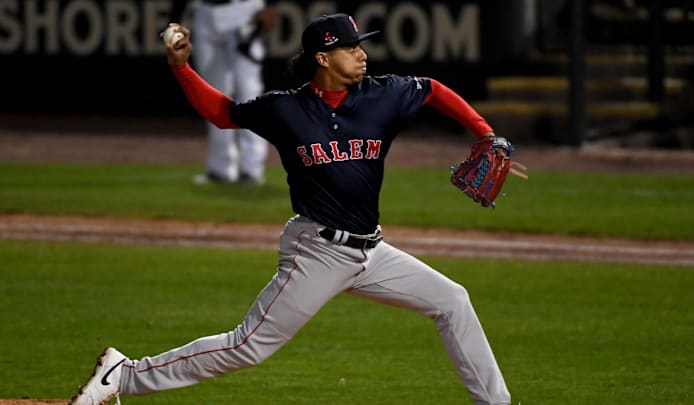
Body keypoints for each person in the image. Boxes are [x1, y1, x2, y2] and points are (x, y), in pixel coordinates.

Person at [70, 13, 511, 405]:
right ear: (323, 57)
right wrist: (181, 68)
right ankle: (124, 375)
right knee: (248, 346)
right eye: (350, 47)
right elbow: (224, 113)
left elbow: (433, 90)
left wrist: (484, 132)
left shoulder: (383, 96)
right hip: (316, 250)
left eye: (360, 46)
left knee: (452, 301)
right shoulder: (286, 109)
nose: (361, 55)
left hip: (370, 254)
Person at [170, 0, 278, 185]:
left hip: (244, 12)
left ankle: (251, 169)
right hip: (205, 12)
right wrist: (175, 22)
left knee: (248, 92)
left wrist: (271, 6)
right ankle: (220, 168)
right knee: (212, 93)